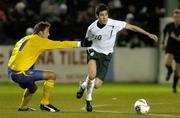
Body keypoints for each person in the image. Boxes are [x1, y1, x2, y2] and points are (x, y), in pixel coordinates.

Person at [76, 3, 158, 112]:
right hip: (94, 50)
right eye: (101, 15)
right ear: (97, 16)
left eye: (106, 14)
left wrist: (148, 34)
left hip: (106, 55)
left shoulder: (114, 24)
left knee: (97, 85)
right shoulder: (91, 28)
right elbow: (87, 40)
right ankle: (88, 101)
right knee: (92, 74)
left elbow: (132, 27)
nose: (104, 17)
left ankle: (83, 85)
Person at [8, 21, 87, 112]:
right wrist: (80, 44)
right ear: (40, 33)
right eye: (47, 31)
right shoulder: (39, 40)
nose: (48, 34)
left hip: (11, 71)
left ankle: (23, 108)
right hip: (20, 73)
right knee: (51, 75)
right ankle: (45, 104)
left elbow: (15, 51)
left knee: (33, 87)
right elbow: (60, 44)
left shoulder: (26, 38)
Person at [162, 9, 180, 93]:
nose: (176, 18)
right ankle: (169, 70)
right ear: (173, 17)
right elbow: (165, 34)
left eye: (178, 16)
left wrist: (175, 37)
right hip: (170, 46)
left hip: (179, 48)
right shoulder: (169, 25)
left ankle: (174, 86)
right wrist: (162, 42)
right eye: (175, 16)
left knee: (178, 69)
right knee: (167, 62)